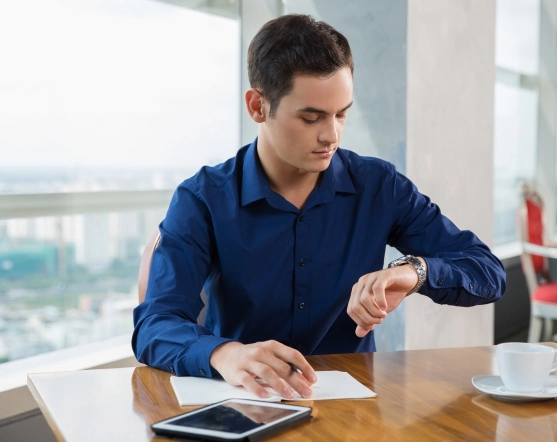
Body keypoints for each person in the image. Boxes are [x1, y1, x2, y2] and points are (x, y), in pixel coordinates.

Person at [132, 14, 505, 401]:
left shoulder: (379, 187)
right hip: (243, 404)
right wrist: (227, 354)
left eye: (341, 113)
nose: (331, 135)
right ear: (258, 106)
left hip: (353, 413)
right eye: (311, 118)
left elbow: (488, 271)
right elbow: (155, 325)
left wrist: (416, 272)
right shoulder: (202, 199)